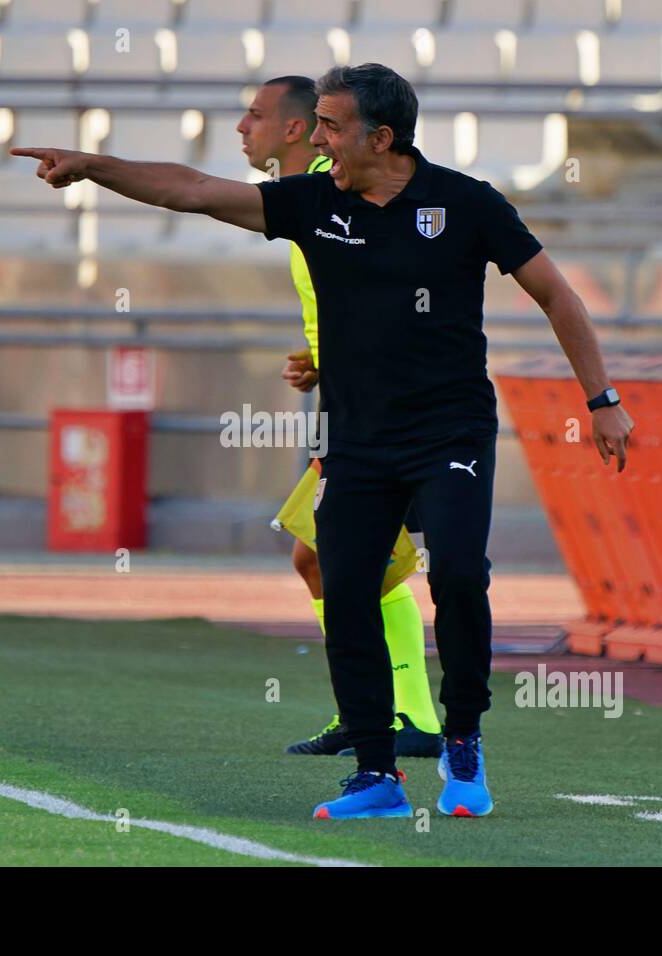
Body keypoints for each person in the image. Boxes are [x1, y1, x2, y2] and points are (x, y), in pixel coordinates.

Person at [11, 62, 634, 821]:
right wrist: (94, 168)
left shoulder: (466, 203)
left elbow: (555, 295)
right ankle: (376, 772)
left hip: (451, 429)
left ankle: (463, 738)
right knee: (343, 587)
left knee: (461, 576)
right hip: (357, 439)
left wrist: (601, 400)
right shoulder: (314, 201)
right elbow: (196, 191)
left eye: (333, 129)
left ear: (381, 137)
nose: (319, 142)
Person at [238, 74, 442, 759]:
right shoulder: (313, 202)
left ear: (296, 131)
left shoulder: (345, 187)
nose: (242, 127)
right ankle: (375, 715)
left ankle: (407, 717)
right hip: (352, 399)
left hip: (393, 410)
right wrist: (324, 355)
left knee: (351, 560)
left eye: (256, 116)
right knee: (324, 559)